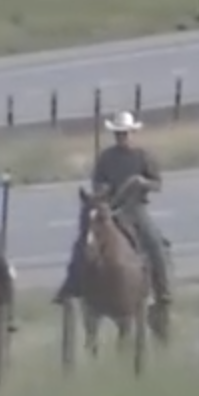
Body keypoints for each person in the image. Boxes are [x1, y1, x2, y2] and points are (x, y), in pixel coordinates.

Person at [58, 111, 172, 309]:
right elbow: (97, 181)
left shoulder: (143, 156)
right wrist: (102, 190)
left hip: (135, 208)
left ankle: (162, 289)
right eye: (119, 134)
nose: (122, 137)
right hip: (108, 207)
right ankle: (71, 286)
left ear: (132, 133)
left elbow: (157, 184)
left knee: (154, 243)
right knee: (83, 242)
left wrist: (142, 182)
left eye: (125, 133)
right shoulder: (106, 157)